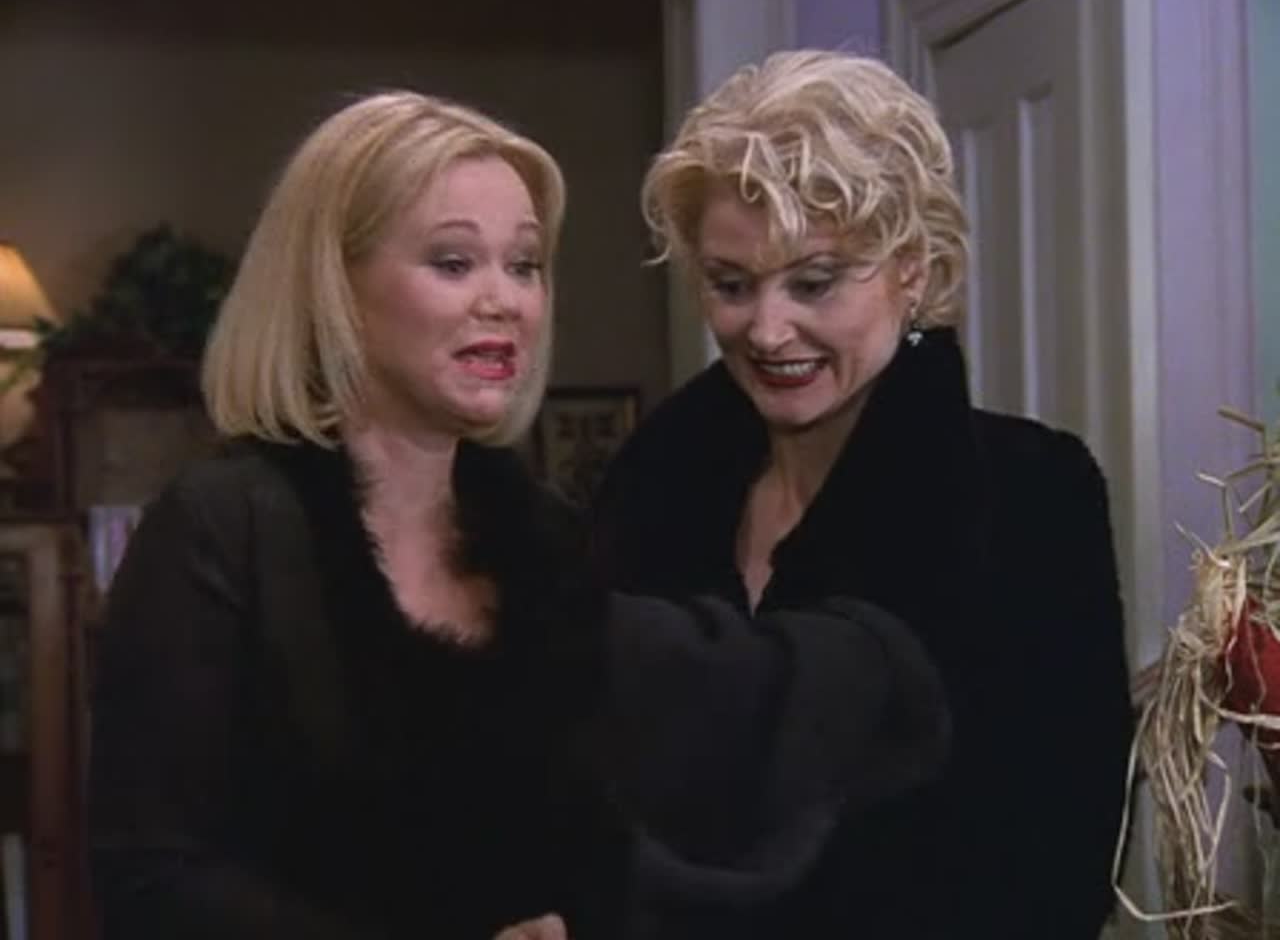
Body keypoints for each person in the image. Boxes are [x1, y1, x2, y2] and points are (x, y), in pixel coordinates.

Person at [88, 89, 951, 940]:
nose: (504, 300)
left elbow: (602, 821)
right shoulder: (223, 528)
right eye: (454, 262)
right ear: (334, 286)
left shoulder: (539, 534)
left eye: (525, 265)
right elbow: (152, 880)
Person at [593, 50, 1134, 939]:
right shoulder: (649, 490)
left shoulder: (1032, 494)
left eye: (814, 282)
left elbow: (1063, 857)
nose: (768, 330)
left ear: (910, 269)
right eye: (731, 285)